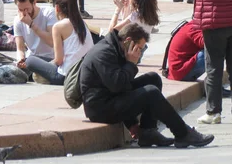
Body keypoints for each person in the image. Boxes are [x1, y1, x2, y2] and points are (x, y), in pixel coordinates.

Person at [80, 23, 215, 148]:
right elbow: (117, 85)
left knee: (153, 79)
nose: (139, 53)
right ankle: (183, 134)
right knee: (150, 92)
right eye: (138, 48)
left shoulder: (116, 47)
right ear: (128, 42)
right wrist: (131, 64)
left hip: (110, 97)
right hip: (100, 108)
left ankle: (148, 132)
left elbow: (121, 86)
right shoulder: (104, 53)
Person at [26, 0, 93, 85]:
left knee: (30, 60)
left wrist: (46, 67)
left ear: (57, 8)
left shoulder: (58, 26)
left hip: (65, 76)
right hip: (85, 73)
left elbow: (58, 60)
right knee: (39, 59)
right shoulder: (82, 23)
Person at [14, 0, 57, 69]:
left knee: (31, 61)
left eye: (27, 9)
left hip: (50, 59)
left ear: (34, 2)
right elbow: (20, 48)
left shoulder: (49, 13)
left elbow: (52, 42)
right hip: (31, 59)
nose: (24, 13)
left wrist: (31, 25)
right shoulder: (18, 20)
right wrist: (21, 60)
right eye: (20, 9)